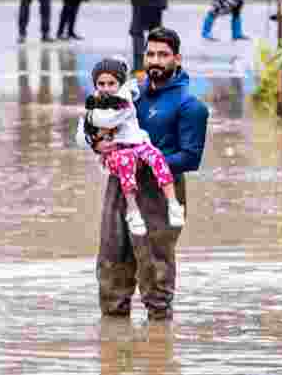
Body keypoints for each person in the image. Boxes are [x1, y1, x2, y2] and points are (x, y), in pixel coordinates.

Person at [78, 27, 209, 321]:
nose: (155, 61)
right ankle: (113, 349)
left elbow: (190, 158)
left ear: (177, 58)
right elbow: (98, 125)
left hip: (160, 191)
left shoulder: (191, 106)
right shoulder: (129, 93)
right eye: (150, 54)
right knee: (111, 267)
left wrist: (145, 162)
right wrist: (97, 143)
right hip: (120, 187)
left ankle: (160, 350)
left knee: (155, 274)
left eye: (163, 55)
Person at [76, 58, 185, 237]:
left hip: (154, 161)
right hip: (121, 163)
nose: (105, 87)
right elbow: (83, 135)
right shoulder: (102, 102)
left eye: (111, 83)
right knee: (117, 242)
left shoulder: (126, 97)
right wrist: (95, 142)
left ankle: (173, 204)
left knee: (158, 243)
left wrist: (93, 124)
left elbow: (110, 119)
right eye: (101, 84)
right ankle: (132, 212)